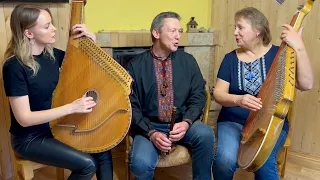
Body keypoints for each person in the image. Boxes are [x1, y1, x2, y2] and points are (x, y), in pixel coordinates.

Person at [2, 4, 113, 180]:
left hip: (57, 128)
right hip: (30, 139)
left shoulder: (52, 56)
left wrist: (92, 41)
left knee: (103, 146)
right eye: (46, 26)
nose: (54, 29)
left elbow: (88, 67)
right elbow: (24, 119)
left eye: (52, 23)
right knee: (87, 164)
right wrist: (72, 107)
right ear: (28, 33)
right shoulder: (14, 67)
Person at [212, 7, 314, 180]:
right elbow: (219, 94)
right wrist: (238, 99)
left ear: (257, 30)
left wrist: (299, 47)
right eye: (234, 28)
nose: (235, 32)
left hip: (269, 124)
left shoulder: (279, 54)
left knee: (264, 161)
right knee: (224, 160)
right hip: (232, 121)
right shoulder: (230, 58)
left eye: (240, 27)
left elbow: (306, 84)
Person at [127, 11, 214, 180]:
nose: (178, 36)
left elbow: (198, 96)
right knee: (140, 164)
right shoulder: (135, 66)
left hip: (181, 124)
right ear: (156, 33)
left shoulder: (188, 61)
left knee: (205, 134)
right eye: (173, 31)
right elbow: (131, 106)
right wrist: (151, 133)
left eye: (180, 31)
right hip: (149, 127)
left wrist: (187, 122)